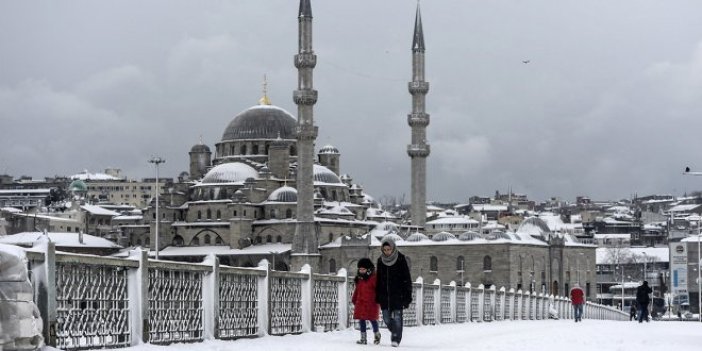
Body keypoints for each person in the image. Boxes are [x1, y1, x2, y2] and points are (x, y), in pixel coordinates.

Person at [375, 237, 412, 347]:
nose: (387, 252)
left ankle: (396, 338)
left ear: (393, 248)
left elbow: (406, 278)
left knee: (397, 318)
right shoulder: (380, 261)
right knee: (386, 318)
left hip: (398, 295)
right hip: (385, 295)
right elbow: (379, 279)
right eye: (385, 250)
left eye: (389, 249)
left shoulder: (400, 259)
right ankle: (396, 330)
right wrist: (377, 295)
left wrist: (407, 296)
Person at [351, 258, 381, 345]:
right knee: (362, 320)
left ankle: (376, 334)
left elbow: (379, 289)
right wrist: (354, 298)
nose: (361, 271)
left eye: (363, 269)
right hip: (361, 303)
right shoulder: (360, 279)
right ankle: (363, 338)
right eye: (360, 269)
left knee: (372, 319)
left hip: (371, 303)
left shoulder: (373, 278)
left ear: (368, 269)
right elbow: (357, 290)